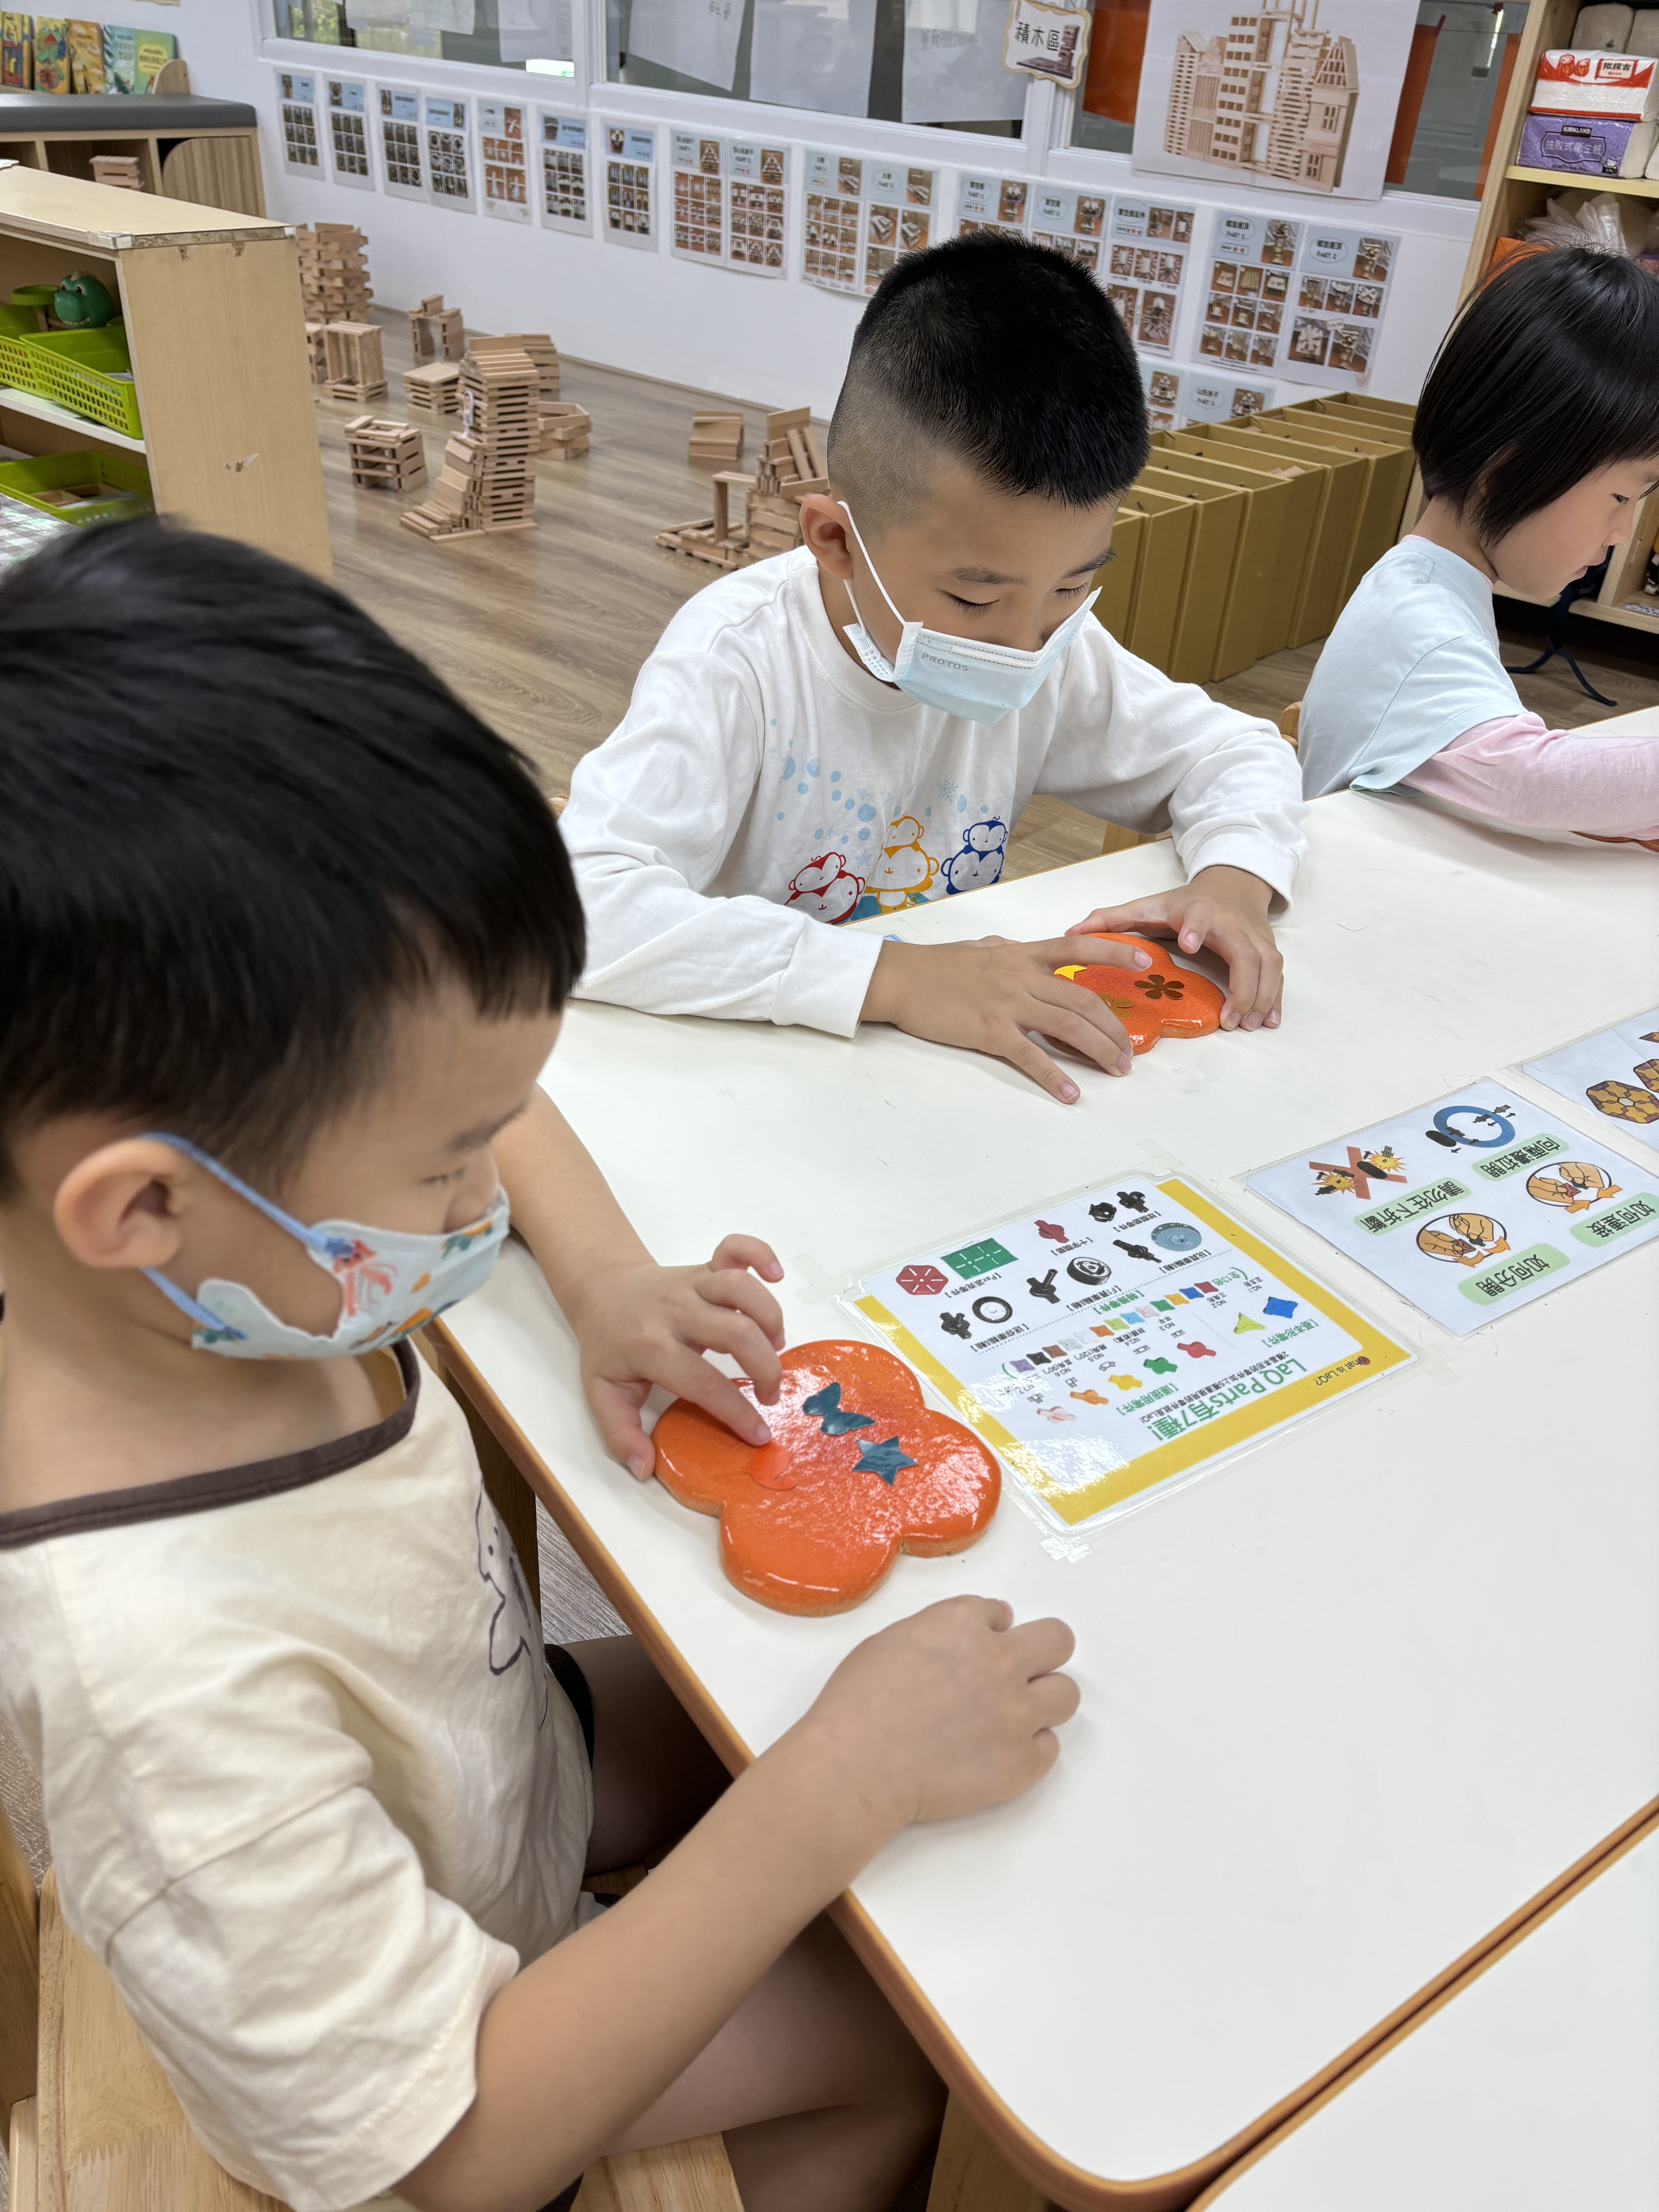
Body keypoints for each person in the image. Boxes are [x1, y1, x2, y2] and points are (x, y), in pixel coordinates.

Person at [0, 524, 1079, 2212]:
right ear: (142, 1207)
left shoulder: (215, 1264)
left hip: (491, 1763)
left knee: (795, 1699)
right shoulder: (160, 1695)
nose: (482, 1200)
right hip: (441, 2083)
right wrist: (837, 1786)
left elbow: (477, 1103)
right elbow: (457, 2151)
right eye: (448, 1168)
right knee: (905, 2026)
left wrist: (605, 1280)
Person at [559, 235, 1305, 1106]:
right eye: (975, 599)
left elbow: (1236, 752)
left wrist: (1233, 880)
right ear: (836, 541)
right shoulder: (739, 661)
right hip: (750, 1080)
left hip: (928, 1085)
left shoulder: (1052, 644)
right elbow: (581, 909)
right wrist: (899, 979)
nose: (1025, 645)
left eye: (1072, 585)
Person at [1298, 247, 1659, 847]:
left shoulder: (1430, 585)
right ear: (1509, 468)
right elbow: (1533, 781)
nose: (1621, 531)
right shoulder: (1418, 623)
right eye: (1621, 496)